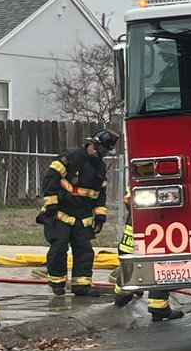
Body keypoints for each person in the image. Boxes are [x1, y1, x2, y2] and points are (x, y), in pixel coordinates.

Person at [38, 129, 117, 297]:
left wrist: (100, 216)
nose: (100, 154)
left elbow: (100, 193)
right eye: (99, 150)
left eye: (104, 152)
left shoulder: (100, 166)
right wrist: (51, 205)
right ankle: (57, 283)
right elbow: (50, 179)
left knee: (84, 251)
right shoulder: (70, 157)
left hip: (83, 216)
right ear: (91, 144)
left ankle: (82, 286)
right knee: (59, 248)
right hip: (60, 212)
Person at [113, 190, 182, 322]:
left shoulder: (140, 177)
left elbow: (128, 198)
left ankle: (121, 296)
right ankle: (159, 308)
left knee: (129, 262)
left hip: (134, 226)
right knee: (161, 260)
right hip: (159, 220)